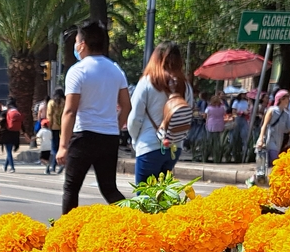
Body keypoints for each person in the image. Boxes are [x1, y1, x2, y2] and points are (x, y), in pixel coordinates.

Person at [57, 20, 131, 214]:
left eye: (76, 41)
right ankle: (132, 221)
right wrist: (114, 125)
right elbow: (126, 105)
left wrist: (63, 146)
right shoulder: (116, 70)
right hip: (109, 137)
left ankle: (67, 233)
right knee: (109, 188)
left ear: (82, 44)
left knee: (71, 187)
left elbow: (70, 110)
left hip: (84, 136)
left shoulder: (77, 71)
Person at [127, 41, 195, 185]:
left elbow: (134, 118)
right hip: (174, 147)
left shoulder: (147, 82)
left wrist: (134, 139)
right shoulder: (186, 86)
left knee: (144, 197)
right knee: (162, 196)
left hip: (148, 145)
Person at [256, 89, 290, 183]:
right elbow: (264, 125)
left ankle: (255, 180)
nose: (288, 100)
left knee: (266, 166)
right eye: (286, 98)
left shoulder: (286, 114)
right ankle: (274, 182)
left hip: (278, 141)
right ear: (281, 99)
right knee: (275, 162)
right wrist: (261, 138)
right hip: (269, 140)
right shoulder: (272, 110)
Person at [0, 97, 23, 172]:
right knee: (9, 150)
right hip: (15, 134)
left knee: (8, 151)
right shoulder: (17, 112)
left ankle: (12, 167)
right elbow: (22, 124)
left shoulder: (5, 112)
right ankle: (5, 166)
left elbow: (0, 123)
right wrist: (24, 132)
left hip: (7, 134)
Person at [46, 88, 65, 174]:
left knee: (54, 147)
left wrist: (48, 126)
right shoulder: (64, 102)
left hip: (54, 127)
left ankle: (53, 166)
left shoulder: (51, 103)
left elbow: (49, 115)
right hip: (63, 127)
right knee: (62, 145)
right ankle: (60, 164)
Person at [204, 94, 227, 163]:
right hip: (220, 124)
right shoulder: (223, 107)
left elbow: (205, 115)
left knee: (209, 140)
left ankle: (206, 156)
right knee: (217, 141)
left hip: (210, 124)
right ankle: (217, 157)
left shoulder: (209, 108)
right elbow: (224, 114)